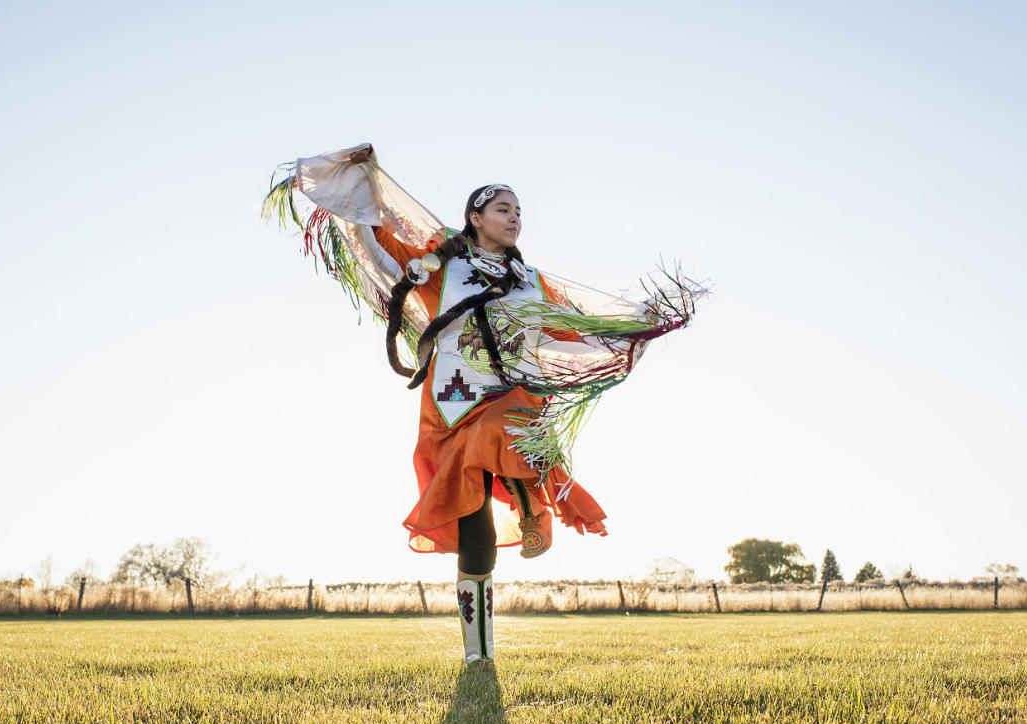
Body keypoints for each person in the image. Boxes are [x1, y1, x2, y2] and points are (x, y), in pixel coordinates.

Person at [263, 144, 704, 666]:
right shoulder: (438, 263)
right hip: (451, 404)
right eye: (503, 209)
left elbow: (566, 335)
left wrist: (632, 330)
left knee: (502, 423)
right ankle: (479, 654)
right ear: (475, 217)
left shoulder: (530, 282)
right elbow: (377, 254)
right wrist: (359, 193)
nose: (515, 217)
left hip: (514, 397)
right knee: (475, 528)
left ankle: (525, 499)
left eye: (519, 211)